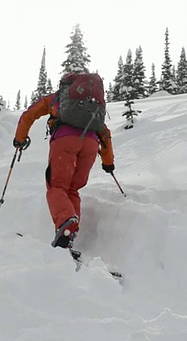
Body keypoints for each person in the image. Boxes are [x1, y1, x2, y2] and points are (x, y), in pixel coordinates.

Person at [13, 73, 115, 249]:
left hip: (65, 141)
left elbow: (29, 114)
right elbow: (104, 133)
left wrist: (19, 138)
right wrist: (108, 162)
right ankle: (68, 236)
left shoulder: (57, 98)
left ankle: (65, 223)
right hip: (90, 145)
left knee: (57, 187)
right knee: (72, 190)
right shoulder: (92, 106)